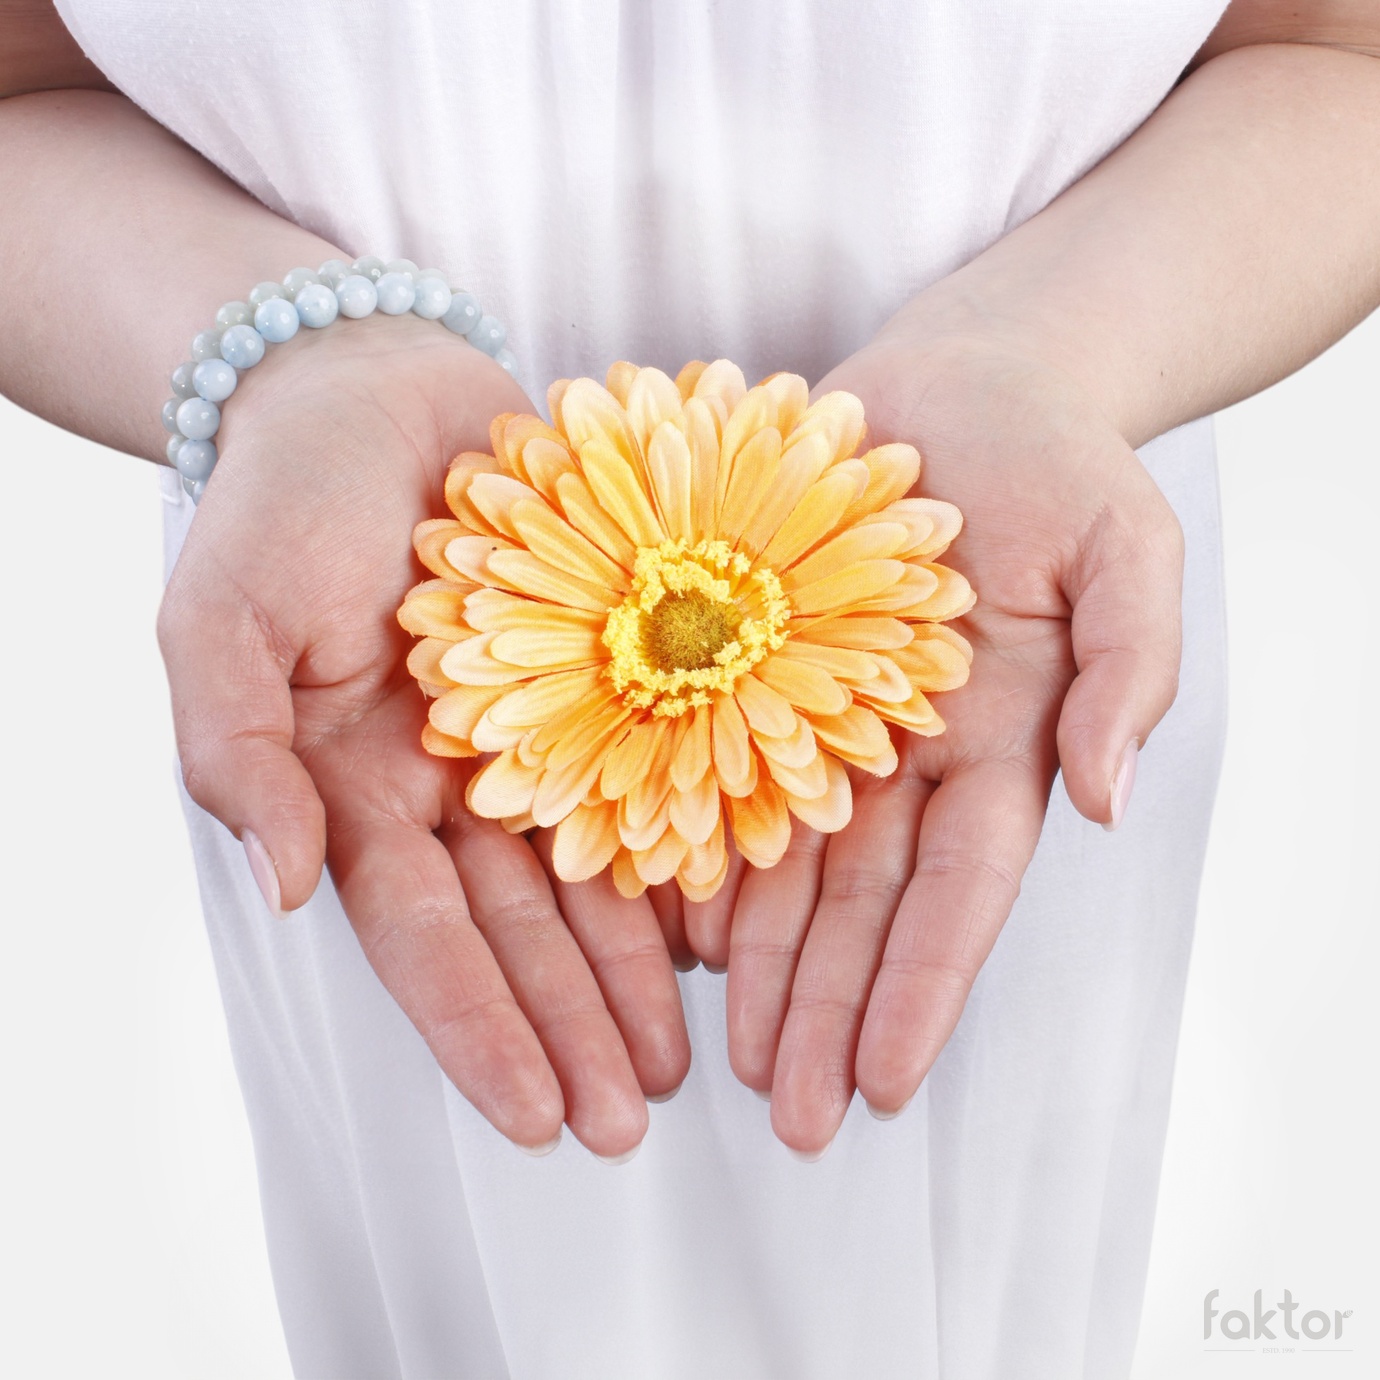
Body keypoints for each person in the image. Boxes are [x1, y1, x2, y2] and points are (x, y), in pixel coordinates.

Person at [2, 1, 1377, 1375]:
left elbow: (1334, 48)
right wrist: (287, 358)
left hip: (986, 646)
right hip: (386, 689)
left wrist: (1055, 348)